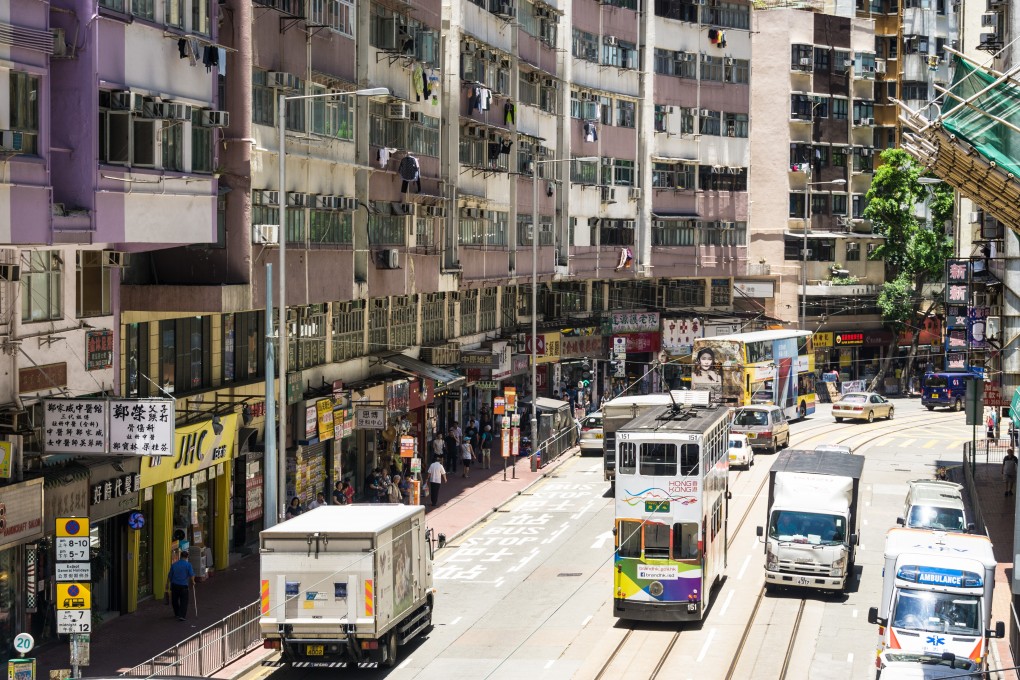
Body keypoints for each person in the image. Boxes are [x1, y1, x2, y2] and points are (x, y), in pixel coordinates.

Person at [166, 550, 196, 621]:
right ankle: (182, 615)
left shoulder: (174, 565)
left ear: (180, 556)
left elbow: (170, 576)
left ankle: (177, 613)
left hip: (174, 585)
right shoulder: (188, 565)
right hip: (183, 586)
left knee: (174, 600)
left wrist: (167, 584)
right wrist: (193, 581)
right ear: (186, 557)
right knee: (184, 601)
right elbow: (191, 574)